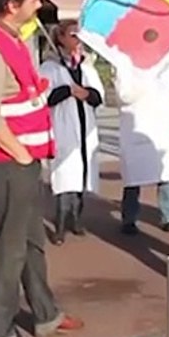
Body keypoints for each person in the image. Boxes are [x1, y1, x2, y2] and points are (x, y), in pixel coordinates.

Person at [0, 0, 83, 337]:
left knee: (32, 241)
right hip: (5, 161)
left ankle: (45, 313)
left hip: (23, 158)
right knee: (9, 247)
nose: (39, 2)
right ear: (11, 4)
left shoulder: (13, 39)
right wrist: (17, 152)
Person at [40, 20, 104, 244]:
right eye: (73, 35)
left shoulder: (86, 67)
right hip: (64, 127)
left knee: (82, 175)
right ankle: (59, 224)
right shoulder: (50, 67)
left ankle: (76, 218)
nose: (78, 40)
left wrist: (86, 94)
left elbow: (98, 97)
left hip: (85, 126)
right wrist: (68, 90)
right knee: (65, 175)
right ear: (61, 39)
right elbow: (45, 97)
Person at [117, 70, 169, 235]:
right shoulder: (125, 66)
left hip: (161, 127)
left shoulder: (163, 66)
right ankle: (129, 219)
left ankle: (168, 216)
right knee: (132, 177)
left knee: (165, 175)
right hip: (136, 127)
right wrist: (144, 82)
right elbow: (123, 96)